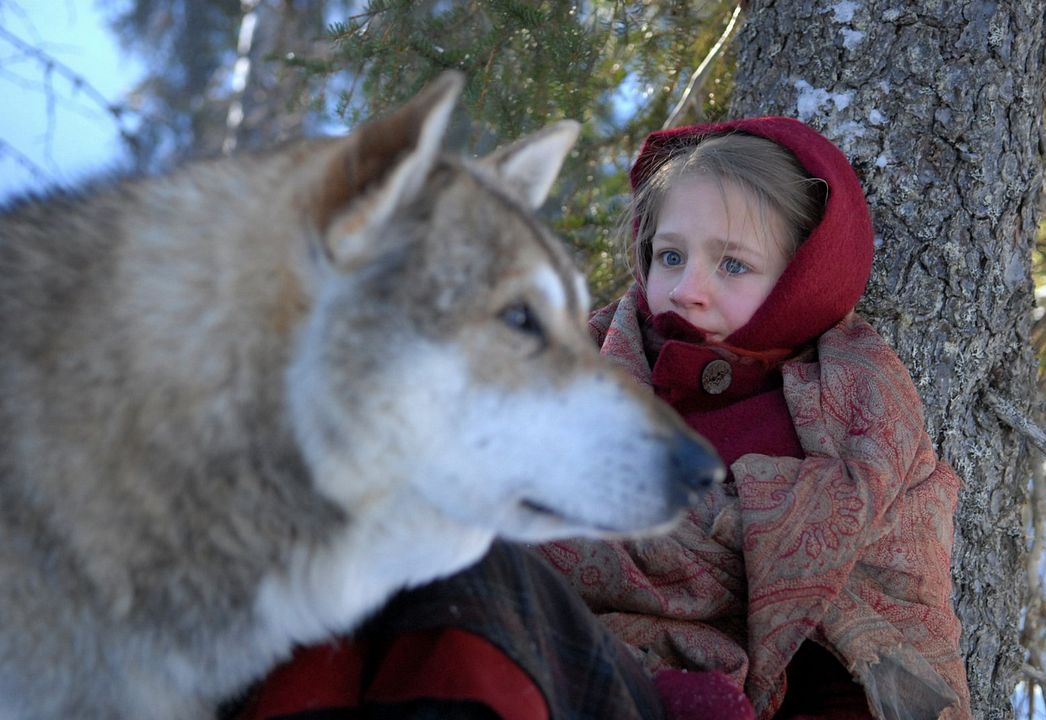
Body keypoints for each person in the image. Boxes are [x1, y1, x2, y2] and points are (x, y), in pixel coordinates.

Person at [225, 117, 972, 720]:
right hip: (502, 650)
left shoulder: (859, 423)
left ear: (802, 280)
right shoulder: (567, 354)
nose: (688, 287)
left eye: (733, 265)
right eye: (669, 255)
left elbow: (880, 641)